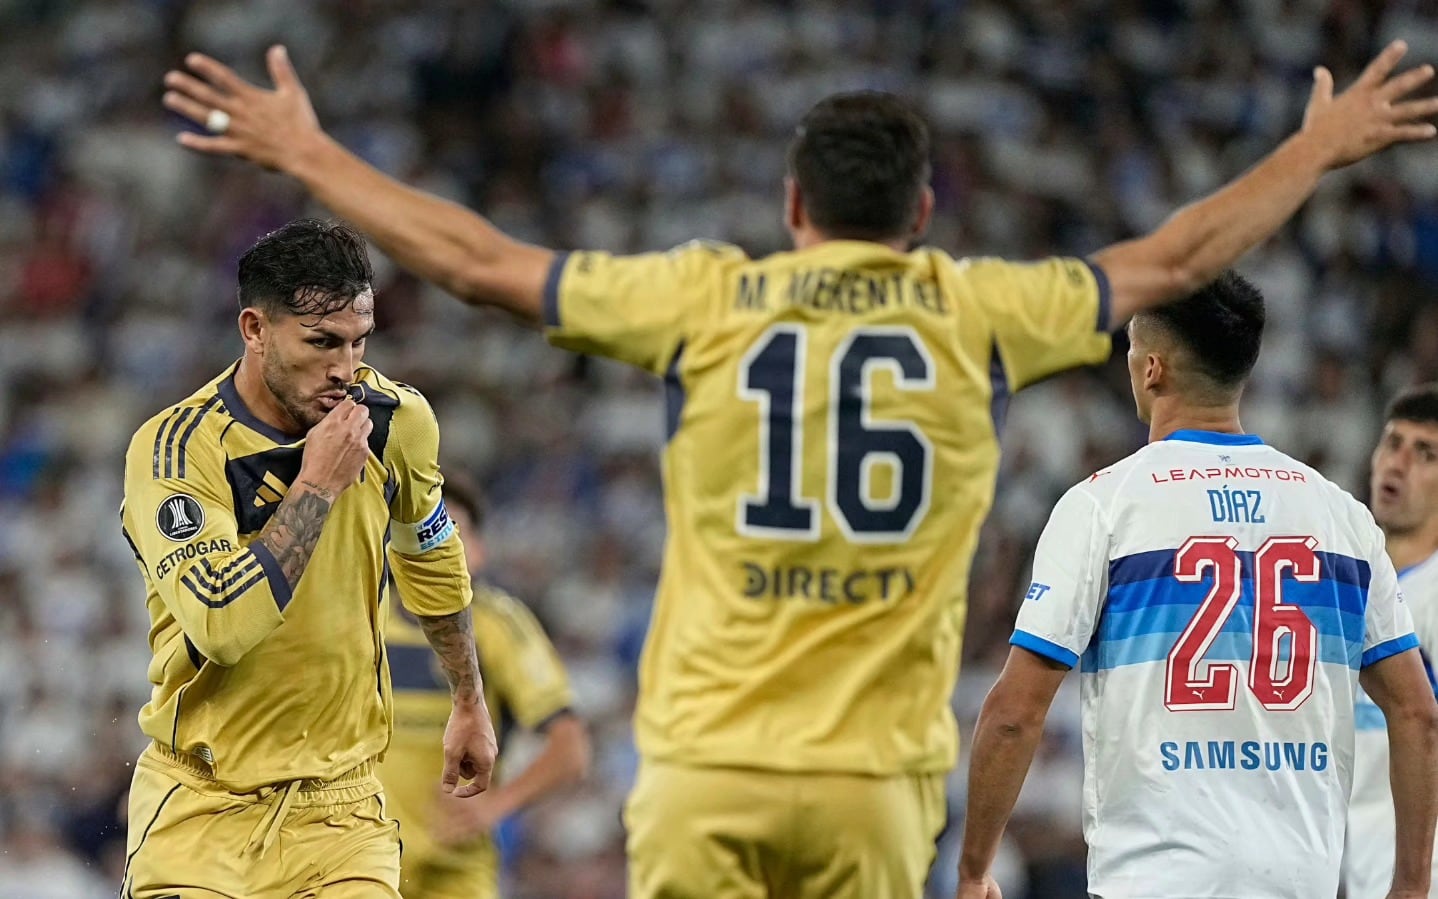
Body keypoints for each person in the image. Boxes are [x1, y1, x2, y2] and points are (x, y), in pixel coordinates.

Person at [159, 41, 1438, 897]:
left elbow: (481, 264)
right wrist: (1317, 149)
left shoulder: (706, 299)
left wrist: (308, 154)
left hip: (704, 768)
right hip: (872, 786)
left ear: (790, 206)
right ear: (921, 215)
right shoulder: (977, 310)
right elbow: (1173, 260)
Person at [956, 273, 1438, 899]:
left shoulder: (1104, 505)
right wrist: (1411, 885)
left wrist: (973, 870)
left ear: (1152, 368)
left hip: (1154, 879)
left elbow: (1015, 714)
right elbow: (1417, 713)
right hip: (1299, 882)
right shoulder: (1341, 516)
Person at [117, 219, 499, 898]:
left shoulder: (396, 422)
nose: (344, 369)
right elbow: (222, 625)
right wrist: (317, 484)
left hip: (342, 812)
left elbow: (431, 556)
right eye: (321, 342)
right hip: (203, 807)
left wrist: (468, 698)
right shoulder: (178, 450)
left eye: (358, 341)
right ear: (255, 329)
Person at [379, 474, 591, 899]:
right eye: (422, 532)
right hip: (364, 864)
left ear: (477, 551)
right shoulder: (364, 617)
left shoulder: (497, 626)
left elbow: (570, 748)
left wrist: (496, 805)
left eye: (451, 534)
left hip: (453, 874)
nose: (436, 548)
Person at [1347, 385, 1438, 898]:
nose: (1398, 464)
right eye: (1393, 443)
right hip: (1359, 867)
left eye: (1425, 453)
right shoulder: (1350, 587)